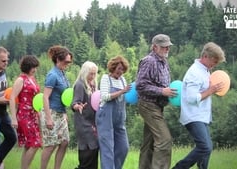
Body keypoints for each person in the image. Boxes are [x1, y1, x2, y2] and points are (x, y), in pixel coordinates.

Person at [172, 42, 226, 169]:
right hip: (193, 116)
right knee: (205, 147)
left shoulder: (205, 71)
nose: (215, 64)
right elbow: (191, 97)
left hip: (202, 116)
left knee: (207, 149)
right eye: (214, 61)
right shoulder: (194, 72)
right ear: (206, 56)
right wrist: (210, 91)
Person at [136, 34, 176, 169]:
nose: (167, 49)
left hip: (158, 106)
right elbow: (140, 85)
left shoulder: (163, 61)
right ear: (154, 47)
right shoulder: (149, 61)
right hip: (149, 105)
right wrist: (162, 91)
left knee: (149, 142)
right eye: (164, 46)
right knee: (164, 140)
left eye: (168, 46)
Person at [40, 45, 72, 169]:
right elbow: (45, 97)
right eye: (66, 61)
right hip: (51, 112)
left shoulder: (63, 74)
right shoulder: (52, 75)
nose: (67, 64)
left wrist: (64, 114)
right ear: (58, 60)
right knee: (50, 145)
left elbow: (64, 95)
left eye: (69, 62)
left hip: (60, 113)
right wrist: (48, 118)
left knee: (64, 142)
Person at [96, 56, 131, 169]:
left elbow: (124, 97)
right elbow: (105, 96)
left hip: (119, 118)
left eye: (122, 69)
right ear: (113, 67)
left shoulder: (122, 80)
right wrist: (122, 91)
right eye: (119, 68)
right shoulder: (106, 78)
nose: (120, 72)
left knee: (123, 147)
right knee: (108, 149)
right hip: (105, 116)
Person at [10, 55, 41, 169]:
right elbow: (12, 98)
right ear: (27, 66)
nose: (35, 69)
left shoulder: (32, 79)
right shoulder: (20, 80)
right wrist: (13, 118)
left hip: (33, 114)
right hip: (24, 114)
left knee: (29, 145)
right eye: (33, 67)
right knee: (35, 143)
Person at [71, 61, 99, 169]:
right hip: (83, 123)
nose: (92, 76)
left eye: (94, 74)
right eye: (90, 74)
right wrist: (77, 106)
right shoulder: (80, 85)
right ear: (84, 72)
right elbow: (75, 102)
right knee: (88, 152)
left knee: (94, 151)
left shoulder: (94, 85)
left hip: (93, 123)